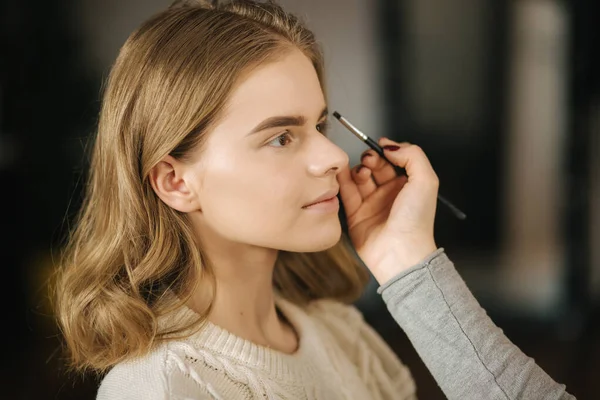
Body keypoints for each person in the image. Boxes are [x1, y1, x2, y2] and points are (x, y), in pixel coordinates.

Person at [53, 1, 576, 399]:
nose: (332, 156)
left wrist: (408, 260)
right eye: (281, 136)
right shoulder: (163, 387)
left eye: (321, 125)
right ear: (175, 182)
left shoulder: (340, 331)